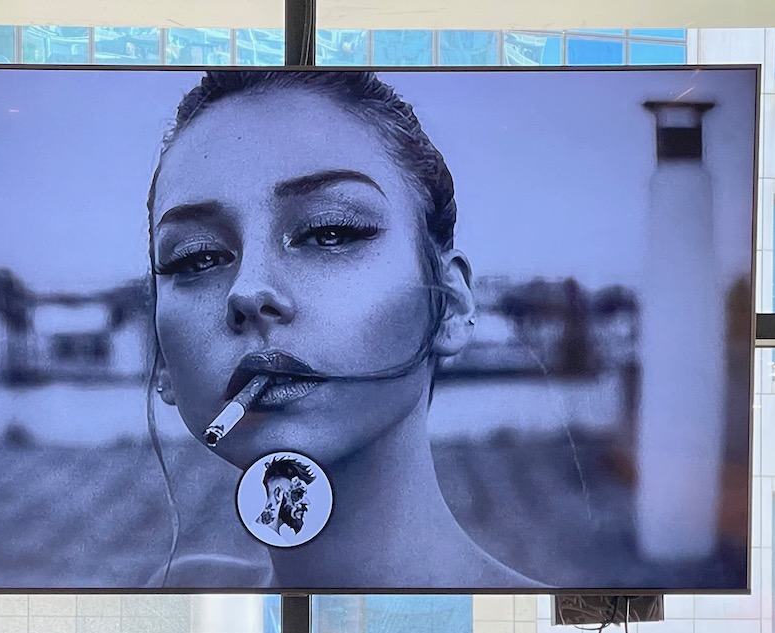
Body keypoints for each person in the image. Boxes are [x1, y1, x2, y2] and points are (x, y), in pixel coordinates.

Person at [145, 70, 535, 589]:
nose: (249, 290)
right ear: (163, 357)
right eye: (197, 258)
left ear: (450, 304)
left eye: (330, 231)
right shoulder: (182, 599)